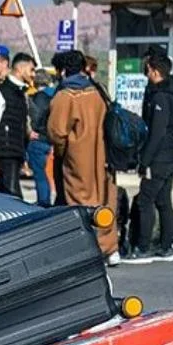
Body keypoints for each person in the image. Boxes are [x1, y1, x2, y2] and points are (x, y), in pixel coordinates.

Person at [48, 50, 117, 256]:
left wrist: (62, 152)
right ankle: (109, 247)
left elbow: (57, 132)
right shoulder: (99, 91)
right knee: (105, 201)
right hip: (104, 156)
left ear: (62, 71)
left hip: (77, 159)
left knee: (79, 205)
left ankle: (85, 250)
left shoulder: (65, 96)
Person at [124, 53, 173, 264]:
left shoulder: (160, 97)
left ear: (155, 71)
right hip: (172, 152)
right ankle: (166, 245)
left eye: (147, 69)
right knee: (163, 200)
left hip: (160, 156)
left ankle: (143, 247)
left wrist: (145, 160)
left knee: (145, 200)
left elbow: (156, 132)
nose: (146, 73)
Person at [0, 52, 36, 198]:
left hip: (15, 153)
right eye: (31, 70)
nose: (33, 75)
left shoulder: (20, 93)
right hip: (4, 155)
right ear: (20, 69)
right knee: (12, 197)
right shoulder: (1, 93)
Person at [26, 70, 56, 208]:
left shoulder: (35, 99)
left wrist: (30, 131)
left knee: (40, 175)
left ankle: (43, 202)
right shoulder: (57, 95)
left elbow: (33, 119)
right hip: (52, 139)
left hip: (38, 139)